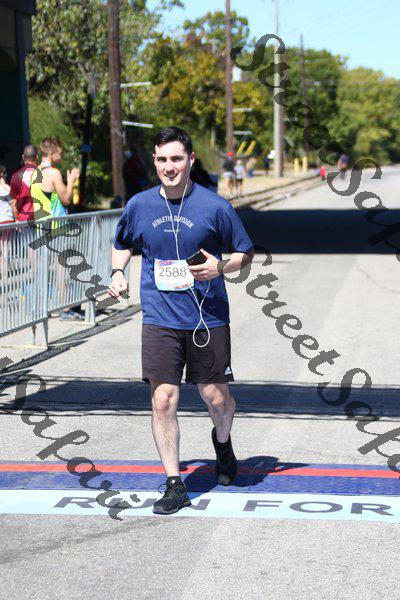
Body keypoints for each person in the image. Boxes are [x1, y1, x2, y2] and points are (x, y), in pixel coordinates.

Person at [108, 127, 254, 515]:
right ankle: (175, 483)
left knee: (216, 399)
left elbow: (246, 253)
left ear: (190, 160)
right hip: (159, 318)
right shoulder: (139, 205)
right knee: (162, 400)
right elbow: (121, 244)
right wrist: (118, 272)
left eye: (176, 159)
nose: (169, 167)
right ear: (154, 162)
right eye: (162, 160)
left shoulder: (215, 206)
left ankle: (222, 442)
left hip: (207, 317)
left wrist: (220, 266)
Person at [31, 138, 81, 321]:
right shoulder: (53, 173)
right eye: (60, 152)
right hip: (57, 227)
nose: (62, 155)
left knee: (43, 270)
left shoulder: (35, 173)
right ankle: (66, 309)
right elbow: (66, 199)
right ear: (51, 153)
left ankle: (42, 308)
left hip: (41, 226)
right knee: (61, 269)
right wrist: (71, 180)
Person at [9, 145, 38, 222]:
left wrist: (16, 220)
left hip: (23, 221)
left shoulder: (15, 176)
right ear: (37, 157)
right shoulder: (43, 173)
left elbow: (14, 202)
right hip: (41, 219)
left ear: (23, 157)